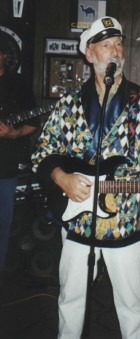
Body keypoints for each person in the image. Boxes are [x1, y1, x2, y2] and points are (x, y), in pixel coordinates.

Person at [31, 16, 140, 339]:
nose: (115, 51)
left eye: (119, 44)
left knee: (132, 304)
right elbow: (42, 152)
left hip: (126, 222)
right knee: (70, 300)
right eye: (106, 45)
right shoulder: (67, 106)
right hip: (78, 222)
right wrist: (61, 177)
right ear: (89, 54)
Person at [0, 32, 39, 276]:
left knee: (2, 225)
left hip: (5, 169)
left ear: (3, 56)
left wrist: (13, 134)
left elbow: (35, 123)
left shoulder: (19, 84)